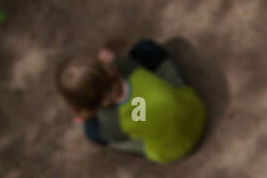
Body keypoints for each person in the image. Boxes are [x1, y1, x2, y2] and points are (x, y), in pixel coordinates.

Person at [56, 39, 205, 163]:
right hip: (194, 110)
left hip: (171, 150)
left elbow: (119, 134)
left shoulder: (111, 120)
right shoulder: (125, 66)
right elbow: (138, 105)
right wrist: (111, 62)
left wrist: (88, 115)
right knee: (145, 48)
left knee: (92, 132)